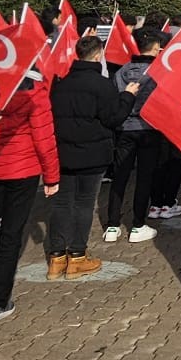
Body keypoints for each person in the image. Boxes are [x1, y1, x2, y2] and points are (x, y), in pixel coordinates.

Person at [0, 67, 59, 323]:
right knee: (10, 235)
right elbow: (44, 138)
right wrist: (52, 176)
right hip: (23, 171)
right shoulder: (35, 94)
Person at [48, 37, 135, 278]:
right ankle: (77, 255)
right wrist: (127, 96)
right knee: (85, 203)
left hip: (63, 152)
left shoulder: (61, 84)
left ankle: (57, 257)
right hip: (92, 155)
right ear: (98, 55)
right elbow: (113, 118)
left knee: (62, 203)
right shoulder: (102, 85)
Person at [102, 27, 165, 245]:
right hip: (149, 129)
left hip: (124, 129)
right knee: (145, 178)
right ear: (156, 48)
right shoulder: (159, 72)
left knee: (120, 176)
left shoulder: (121, 72)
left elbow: (115, 99)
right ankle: (138, 224)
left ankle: (112, 224)